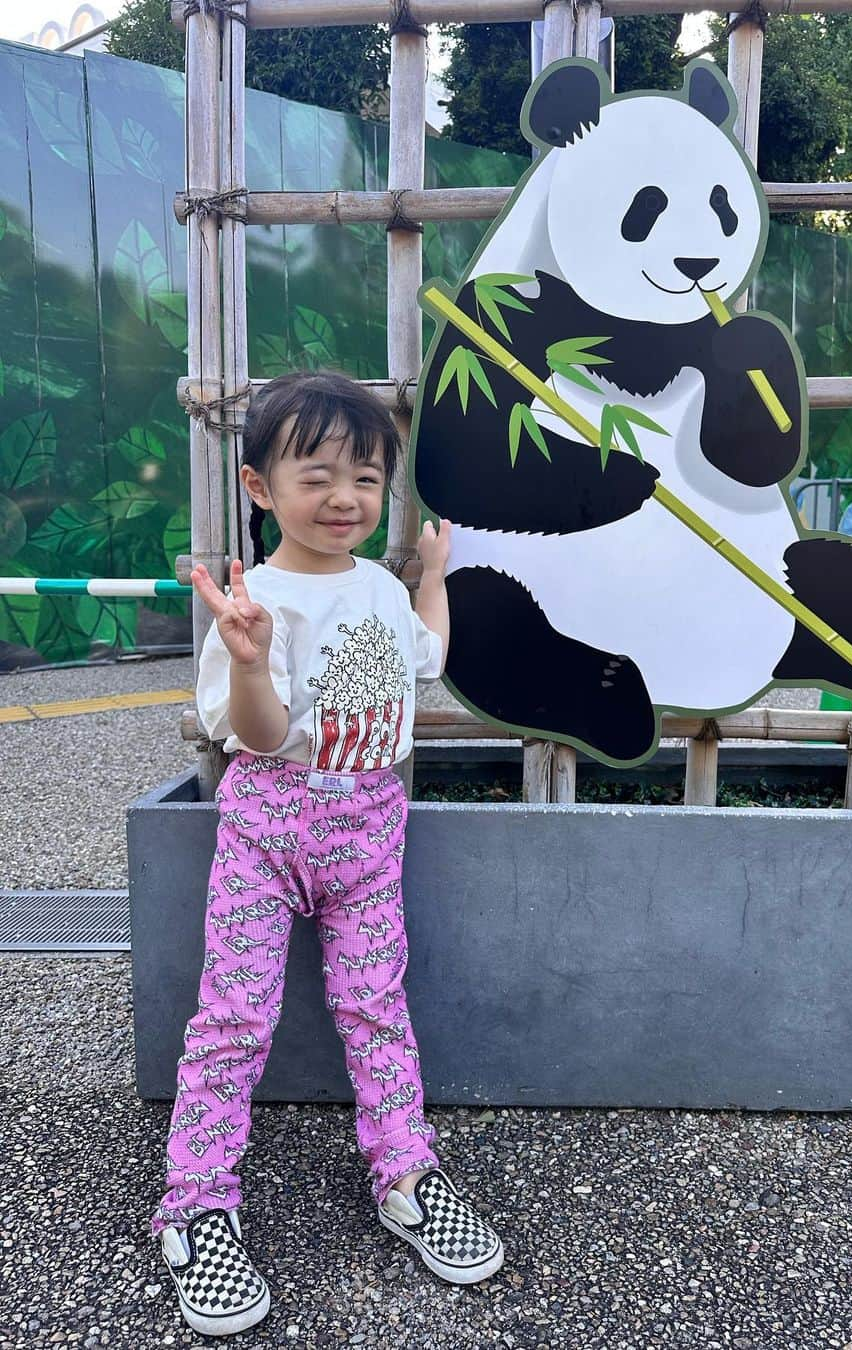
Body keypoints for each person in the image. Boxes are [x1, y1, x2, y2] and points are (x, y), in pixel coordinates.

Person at [150, 371, 503, 1338]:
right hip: (268, 824)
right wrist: (254, 663)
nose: (345, 497)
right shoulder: (251, 602)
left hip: (371, 827)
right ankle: (197, 1203)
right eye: (317, 476)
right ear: (261, 488)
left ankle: (405, 1171)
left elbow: (423, 659)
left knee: (376, 1005)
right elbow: (255, 738)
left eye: (366, 477)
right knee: (234, 1015)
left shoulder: (381, 589)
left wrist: (431, 577)